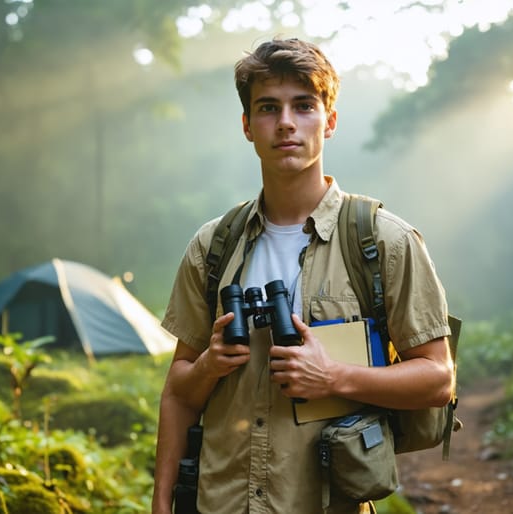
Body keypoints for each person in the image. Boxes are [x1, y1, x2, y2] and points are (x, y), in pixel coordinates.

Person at [152, 37, 454, 514]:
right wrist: (209, 366)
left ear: (329, 121)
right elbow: (178, 392)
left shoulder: (383, 242)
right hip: (219, 502)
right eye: (268, 108)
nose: (286, 123)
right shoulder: (213, 247)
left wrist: (334, 377)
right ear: (248, 126)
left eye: (304, 106)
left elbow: (438, 379)